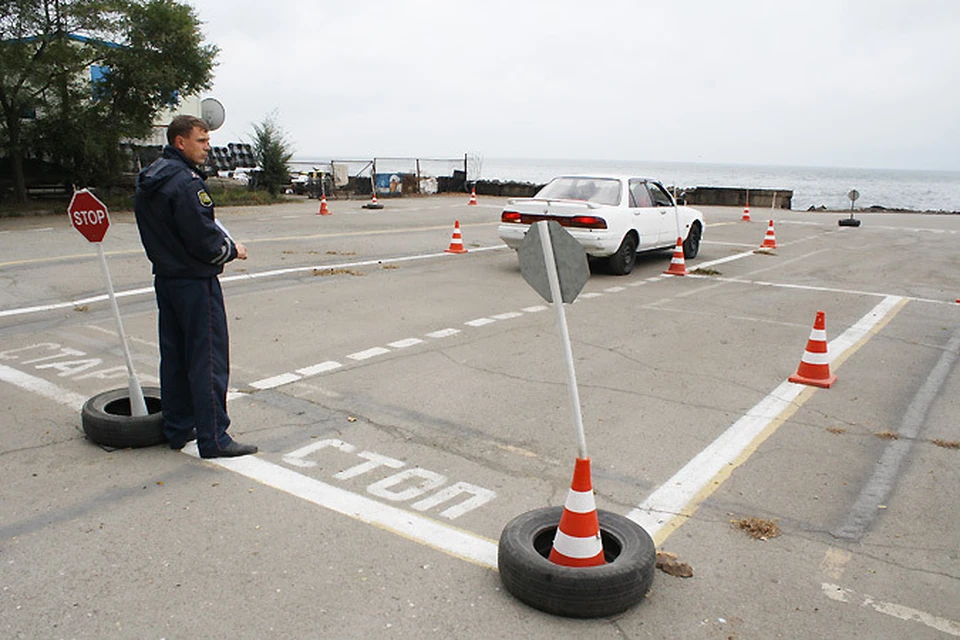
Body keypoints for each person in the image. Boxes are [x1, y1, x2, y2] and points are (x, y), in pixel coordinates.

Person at [134, 115, 257, 458]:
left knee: (174, 356)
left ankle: (177, 429)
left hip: (167, 278)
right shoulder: (187, 183)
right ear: (180, 142)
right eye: (201, 141)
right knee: (208, 360)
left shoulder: (151, 177)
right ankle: (214, 438)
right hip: (195, 282)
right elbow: (203, 238)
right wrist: (232, 250)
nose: (207, 147)